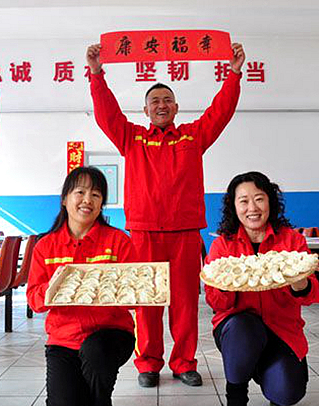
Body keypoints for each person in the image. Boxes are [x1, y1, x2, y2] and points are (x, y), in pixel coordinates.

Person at [86, 41, 246, 388]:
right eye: (154, 101)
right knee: (147, 301)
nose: (161, 105)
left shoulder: (193, 135)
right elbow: (107, 115)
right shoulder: (133, 139)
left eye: (166, 100)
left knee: (186, 303)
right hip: (143, 234)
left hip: (186, 233)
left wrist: (233, 74)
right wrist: (97, 74)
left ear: (176, 107)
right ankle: (148, 364)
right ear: (145, 110)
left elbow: (221, 111)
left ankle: (184, 362)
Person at [204, 171, 319, 406]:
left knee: (287, 392)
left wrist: (300, 282)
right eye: (244, 201)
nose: (252, 208)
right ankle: (236, 392)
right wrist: (226, 284)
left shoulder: (291, 241)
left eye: (259, 198)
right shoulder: (223, 245)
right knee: (244, 328)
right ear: (233, 206)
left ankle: (265, 369)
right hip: (237, 330)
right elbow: (216, 303)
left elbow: (309, 295)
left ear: (270, 201)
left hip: (282, 329)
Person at [26, 166, 137, 406]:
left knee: (95, 353)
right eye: (80, 192)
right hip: (63, 339)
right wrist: (56, 287)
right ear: (65, 199)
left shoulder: (118, 241)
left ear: (101, 205)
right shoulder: (45, 246)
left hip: (112, 335)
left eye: (96, 195)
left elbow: (134, 297)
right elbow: (34, 300)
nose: (87, 200)